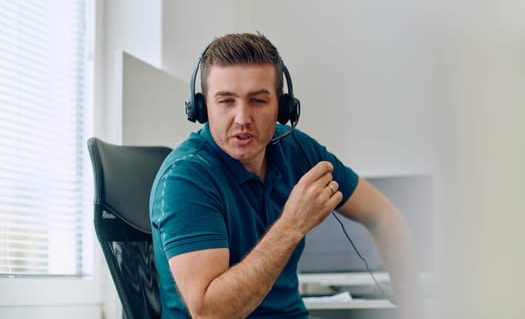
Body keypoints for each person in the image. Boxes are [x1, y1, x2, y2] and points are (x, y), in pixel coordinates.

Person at [150, 32, 423, 319]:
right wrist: (292, 224)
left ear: (282, 107)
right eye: (226, 101)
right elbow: (209, 313)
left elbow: (383, 215)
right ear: (202, 107)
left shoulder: (296, 149)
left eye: (257, 100)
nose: (242, 118)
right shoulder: (185, 178)